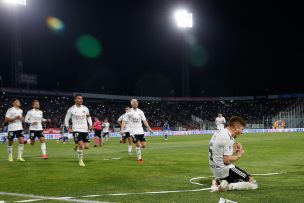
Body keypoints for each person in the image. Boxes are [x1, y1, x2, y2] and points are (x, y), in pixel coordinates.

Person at [208, 116, 258, 192]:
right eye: (241, 129)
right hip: (223, 170)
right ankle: (225, 186)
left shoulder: (219, 132)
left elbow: (220, 153)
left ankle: (220, 181)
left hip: (215, 168)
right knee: (253, 183)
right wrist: (240, 154)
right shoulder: (227, 137)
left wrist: (235, 150)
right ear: (235, 128)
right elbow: (227, 161)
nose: (242, 132)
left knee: (241, 176)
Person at [120, 99, 152, 164]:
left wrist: (149, 128)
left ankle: (138, 148)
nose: (135, 103)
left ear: (137, 103)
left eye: (136, 102)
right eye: (134, 102)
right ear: (131, 104)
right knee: (137, 144)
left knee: (143, 145)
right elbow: (124, 121)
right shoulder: (128, 112)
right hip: (133, 131)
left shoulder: (140, 111)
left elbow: (144, 121)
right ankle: (139, 158)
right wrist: (122, 129)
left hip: (140, 131)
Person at [64, 94, 92, 166]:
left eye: (81, 99)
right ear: (75, 100)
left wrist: (90, 125)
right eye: (79, 98)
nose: (81, 100)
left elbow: (88, 117)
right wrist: (68, 128)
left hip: (85, 129)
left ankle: (76, 145)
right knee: (81, 145)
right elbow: (66, 119)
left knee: (86, 147)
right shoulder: (71, 109)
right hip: (76, 129)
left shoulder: (85, 108)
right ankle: (80, 161)